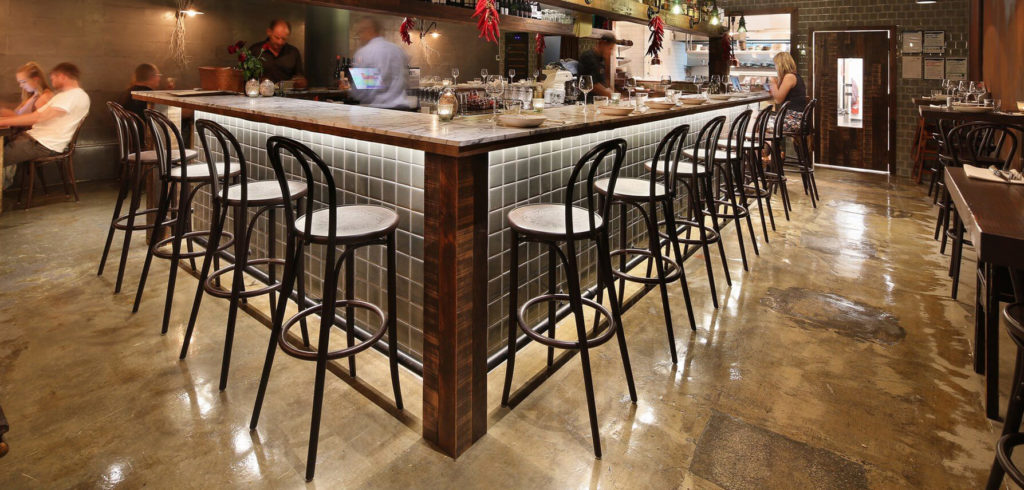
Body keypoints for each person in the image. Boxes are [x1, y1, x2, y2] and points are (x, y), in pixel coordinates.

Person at [0, 63, 91, 189]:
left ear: (62, 76)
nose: (51, 81)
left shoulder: (74, 96)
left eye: (53, 77)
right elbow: (37, 115)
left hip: (42, 144)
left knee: (1, 157)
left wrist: (4, 122)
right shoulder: (65, 96)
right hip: (35, 139)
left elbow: (38, 117)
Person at [350, 17, 411, 110]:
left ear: (369, 30)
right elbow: (406, 80)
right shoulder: (397, 50)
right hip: (402, 109)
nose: (360, 37)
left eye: (360, 32)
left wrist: (351, 93)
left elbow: (362, 91)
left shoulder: (364, 53)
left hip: (379, 111)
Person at [257, 19, 307, 87]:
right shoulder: (256, 50)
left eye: (284, 39)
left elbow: (299, 76)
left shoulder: (293, 52)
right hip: (260, 95)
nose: (280, 42)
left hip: (286, 96)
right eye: (277, 38)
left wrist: (301, 82)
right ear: (269, 32)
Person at [768, 51, 807, 131]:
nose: (775, 67)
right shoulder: (795, 76)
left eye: (775, 65)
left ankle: (766, 143)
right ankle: (767, 143)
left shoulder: (789, 77)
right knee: (760, 119)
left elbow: (778, 100)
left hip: (793, 119)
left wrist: (773, 83)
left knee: (759, 121)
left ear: (780, 65)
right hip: (797, 117)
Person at [577, 33, 616, 100]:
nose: (611, 52)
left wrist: (612, 92)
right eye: (610, 48)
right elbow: (591, 84)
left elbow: (603, 80)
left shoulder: (601, 58)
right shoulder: (587, 57)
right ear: (602, 43)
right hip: (588, 101)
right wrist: (611, 95)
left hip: (600, 101)